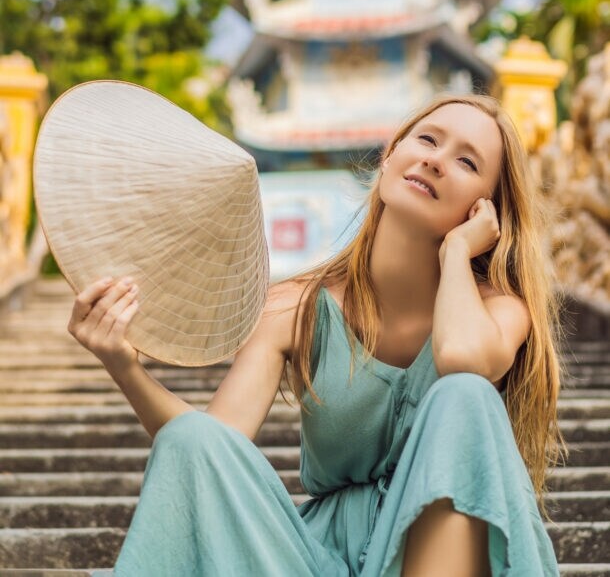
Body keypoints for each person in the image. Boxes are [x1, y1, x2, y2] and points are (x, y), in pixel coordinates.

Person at [73, 94, 564, 576]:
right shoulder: (295, 305)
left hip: (445, 550)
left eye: (466, 161)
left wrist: (457, 250)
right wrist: (123, 365)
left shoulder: (499, 308)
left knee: (464, 394)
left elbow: (461, 357)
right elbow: (210, 453)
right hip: (314, 558)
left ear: (487, 210)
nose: (436, 160)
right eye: (428, 140)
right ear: (392, 154)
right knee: (189, 435)